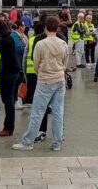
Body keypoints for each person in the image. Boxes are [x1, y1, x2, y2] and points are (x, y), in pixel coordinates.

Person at [12, 15, 68, 151]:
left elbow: (35, 63)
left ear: (45, 27)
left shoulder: (41, 44)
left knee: (37, 112)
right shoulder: (63, 43)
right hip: (60, 80)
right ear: (58, 27)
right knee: (58, 112)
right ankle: (57, 142)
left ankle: (27, 142)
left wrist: (41, 73)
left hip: (45, 80)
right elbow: (65, 63)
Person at [24, 21, 51, 142]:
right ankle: (59, 135)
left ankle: (40, 131)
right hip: (56, 77)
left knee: (39, 105)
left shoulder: (36, 40)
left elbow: (30, 58)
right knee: (56, 108)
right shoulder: (61, 39)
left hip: (40, 75)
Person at [0, 21, 19, 136]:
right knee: (9, 100)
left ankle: (8, 128)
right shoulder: (10, 38)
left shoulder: (3, 41)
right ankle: (9, 127)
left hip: (7, 74)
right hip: (13, 72)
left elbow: (0, 59)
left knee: (8, 101)